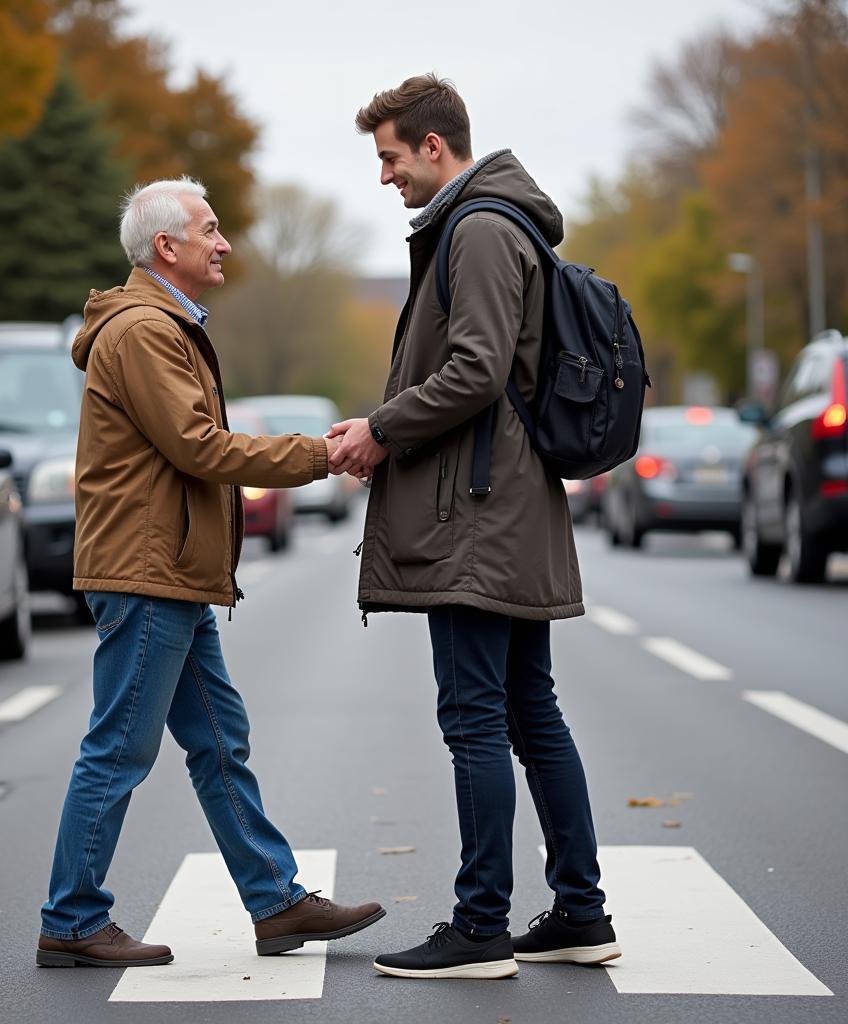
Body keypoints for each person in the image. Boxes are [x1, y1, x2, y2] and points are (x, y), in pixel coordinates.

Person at [38, 178, 384, 968]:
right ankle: (71, 917)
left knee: (220, 742)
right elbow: (198, 446)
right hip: (147, 571)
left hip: (173, 574)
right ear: (167, 247)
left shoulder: (164, 325)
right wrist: (323, 454)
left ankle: (277, 902)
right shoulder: (144, 333)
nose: (223, 243)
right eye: (210, 230)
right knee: (119, 748)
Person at [328, 74, 620, 980]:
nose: (384, 177)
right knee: (530, 712)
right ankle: (579, 911)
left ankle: (481, 924)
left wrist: (380, 428)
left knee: (478, 719)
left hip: (475, 516)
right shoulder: (491, 222)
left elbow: (477, 370)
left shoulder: (483, 229)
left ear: (432, 146)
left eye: (389, 157)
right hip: (503, 504)